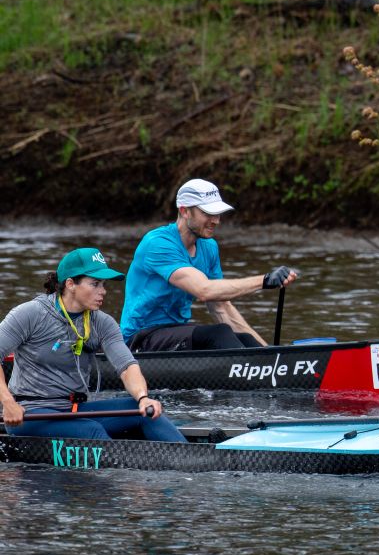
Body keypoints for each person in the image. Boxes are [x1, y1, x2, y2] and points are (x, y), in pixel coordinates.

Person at [0, 248, 186, 441]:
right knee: (91, 431)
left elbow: (127, 366)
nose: (103, 291)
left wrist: (142, 398)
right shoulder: (30, 314)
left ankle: (193, 460)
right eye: (95, 284)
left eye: (103, 284)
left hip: (75, 408)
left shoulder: (102, 322)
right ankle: (119, 470)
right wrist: (8, 402)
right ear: (71, 284)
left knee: (146, 413)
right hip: (29, 414)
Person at [120, 178, 298, 350]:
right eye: (207, 214)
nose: (216, 220)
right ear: (184, 211)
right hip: (140, 339)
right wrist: (265, 280)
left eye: (217, 214)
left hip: (176, 333)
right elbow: (204, 290)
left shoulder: (209, 246)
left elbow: (221, 307)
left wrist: (268, 353)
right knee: (218, 334)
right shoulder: (158, 243)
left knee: (243, 338)